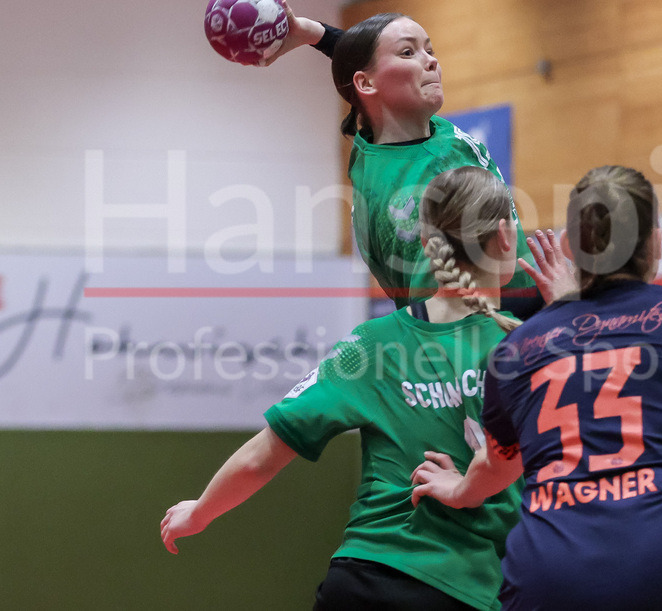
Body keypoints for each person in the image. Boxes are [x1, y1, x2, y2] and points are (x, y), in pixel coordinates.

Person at [161, 166, 528, 610]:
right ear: (506, 236)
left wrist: (200, 512)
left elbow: (262, 456)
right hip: (462, 587)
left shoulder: (370, 345)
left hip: (362, 581)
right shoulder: (528, 348)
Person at [411, 165, 662, 610]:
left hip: (552, 575)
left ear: (569, 247)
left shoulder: (516, 349)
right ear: (656, 242)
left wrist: (456, 490)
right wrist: (657, 502)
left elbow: (496, 469)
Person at [265, 6, 542, 318]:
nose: (432, 61)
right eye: (409, 52)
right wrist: (556, 304)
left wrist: (315, 34)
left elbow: (367, 63)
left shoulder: (390, 136)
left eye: (429, 49)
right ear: (366, 85)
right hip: (511, 335)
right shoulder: (409, 197)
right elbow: (446, 316)